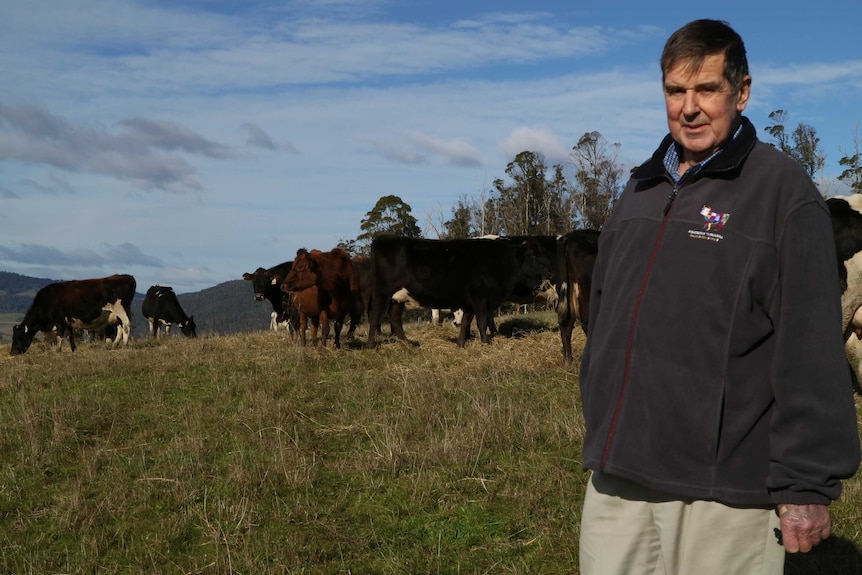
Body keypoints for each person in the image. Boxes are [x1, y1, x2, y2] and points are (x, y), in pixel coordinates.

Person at [577, 19, 860, 575]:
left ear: (742, 91)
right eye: (675, 91)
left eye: (706, 89)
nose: (689, 107)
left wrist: (805, 482)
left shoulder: (781, 192)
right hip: (618, 478)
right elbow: (605, 311)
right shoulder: (638, 190)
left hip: (723, 490)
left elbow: (810, 347)